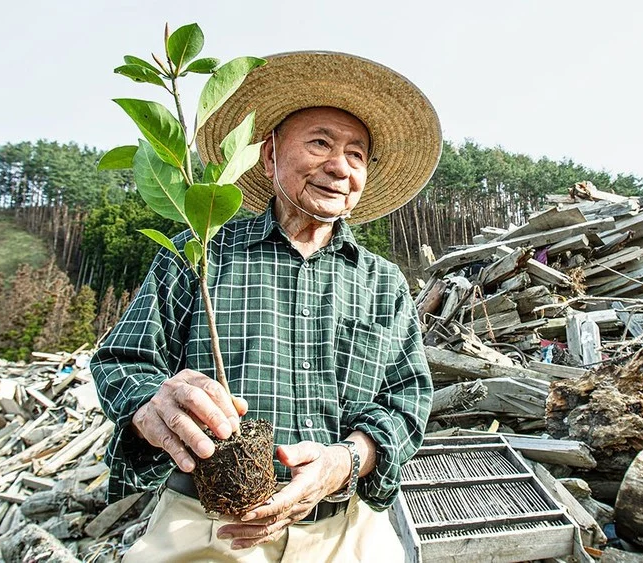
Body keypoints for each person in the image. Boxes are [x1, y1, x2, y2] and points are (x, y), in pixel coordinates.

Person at [91, 50, 442, 562]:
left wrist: (345, 460)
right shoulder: (201, 250)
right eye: (320, 142)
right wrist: (153, 405)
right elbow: (123, 361)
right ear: (271, 155)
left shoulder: (382, 282)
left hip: (345, 532)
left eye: (357, 154)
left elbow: (407, 404)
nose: (339, 166)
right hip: (205, 525)